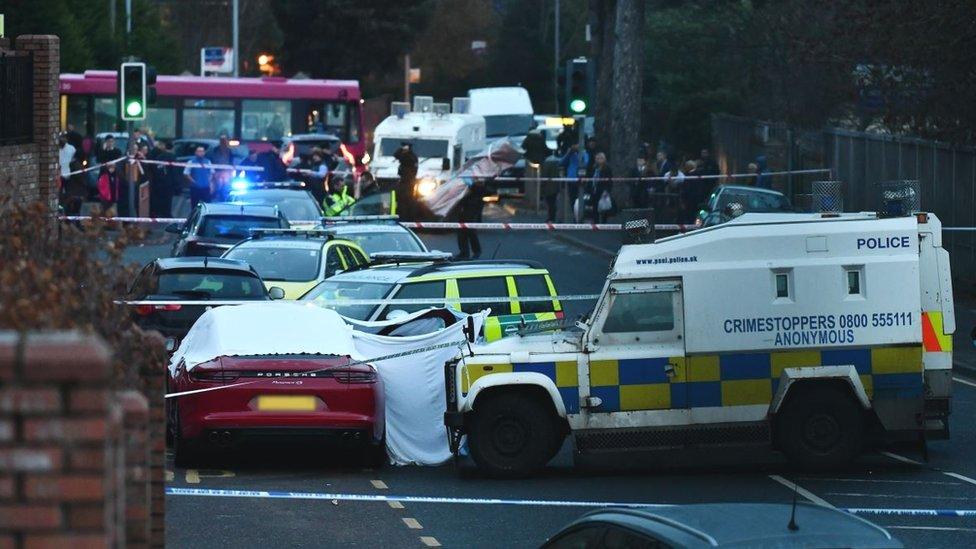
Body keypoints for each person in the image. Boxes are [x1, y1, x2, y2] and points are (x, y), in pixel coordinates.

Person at [456, 178, 487, 259]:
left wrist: (473, 185)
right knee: (462, 232)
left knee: (471, 231)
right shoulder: (469, 176)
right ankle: (464, 253)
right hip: (466, 206)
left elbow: (481, 189)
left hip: (473, 205)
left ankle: (476, 252)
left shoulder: (479, 176)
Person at [559, 144, 589, 221]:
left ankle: (581, 216)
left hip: (581, 179)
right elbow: (561, 162)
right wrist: (569, 153)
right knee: (572, 200)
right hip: (571, 179)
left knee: (580, 199)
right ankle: (576, 216)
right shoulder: (570, 155)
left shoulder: (585, 153)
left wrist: (579, 153)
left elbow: (585, 162)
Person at [148, 140, 176, 217]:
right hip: (168, 182)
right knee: (168, 199)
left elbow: (156, 168)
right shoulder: (172, 157)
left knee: (159, 197)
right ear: (172, 148)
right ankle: (167, 213)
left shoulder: (159, 157)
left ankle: (158, 213)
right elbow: (174, 171)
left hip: (158, 181)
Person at [393, 142, 419, 219]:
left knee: (405, 200)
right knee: (403, 199)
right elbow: (396, 155)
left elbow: (398, 156)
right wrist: (402, 149)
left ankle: (406, 216)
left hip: (408, 181)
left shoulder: (410, 156)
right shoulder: (409, 155)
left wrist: (403, 150)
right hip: (405, 180)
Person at [588, 152, 613, 223]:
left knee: (603, 208)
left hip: (603, 191)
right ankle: (596, 222)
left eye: (601, 158)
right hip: (594, 190)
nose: (599, 160)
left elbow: (609, 181)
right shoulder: (594, 168)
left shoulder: (607, 168)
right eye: (597, 158)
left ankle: (604, 223)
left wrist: (607, 191)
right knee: (595, 207)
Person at [540, 152, 562, 223]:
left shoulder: (546, 163)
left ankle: (551, 218)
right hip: (556, 185)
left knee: (550, 203)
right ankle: (553, 218)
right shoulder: (557, 161)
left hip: (548, 187)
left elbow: (544, 175)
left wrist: (542, 185)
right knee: (553, 202)